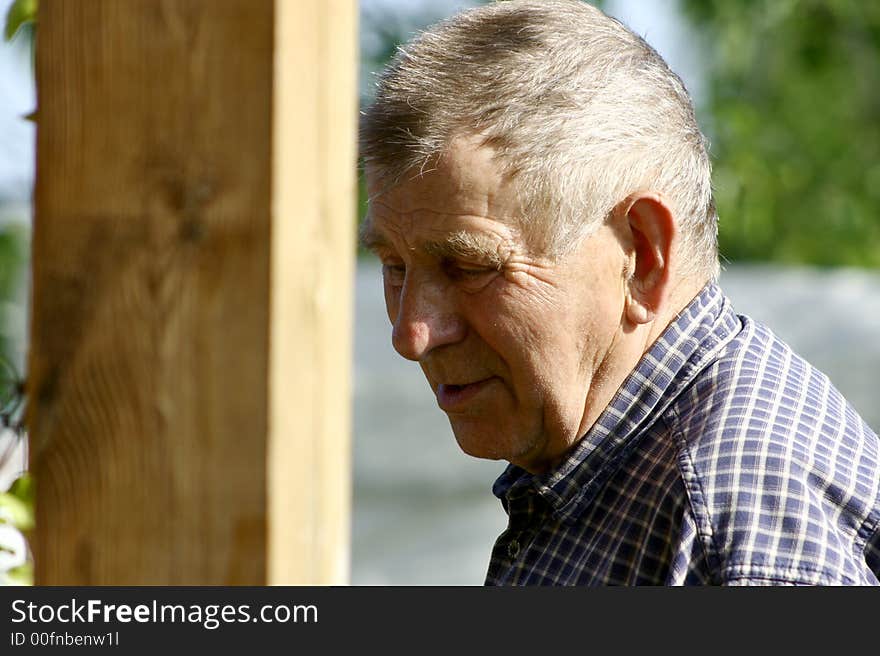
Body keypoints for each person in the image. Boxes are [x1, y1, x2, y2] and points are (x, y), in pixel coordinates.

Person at [358, 0, 880, 585]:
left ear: (642, 257)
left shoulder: (734, 520)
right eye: (394, 266)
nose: (411, 334)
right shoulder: (623, 465)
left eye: (469, 265)